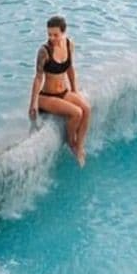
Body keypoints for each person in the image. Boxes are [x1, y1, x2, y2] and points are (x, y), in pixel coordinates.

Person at [28, 14, 91, 167]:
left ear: (63, 32)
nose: (52, 38)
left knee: (87, 109)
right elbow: (38, 78)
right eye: (49, 34)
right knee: (77, 113)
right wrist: (33, 103)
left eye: (55, 34)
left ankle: (80, 145)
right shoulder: (44, 51)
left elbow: (70, 69)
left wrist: (74, 90)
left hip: (63, 92)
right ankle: (71, 142)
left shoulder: (69, 44)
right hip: (47, 96)